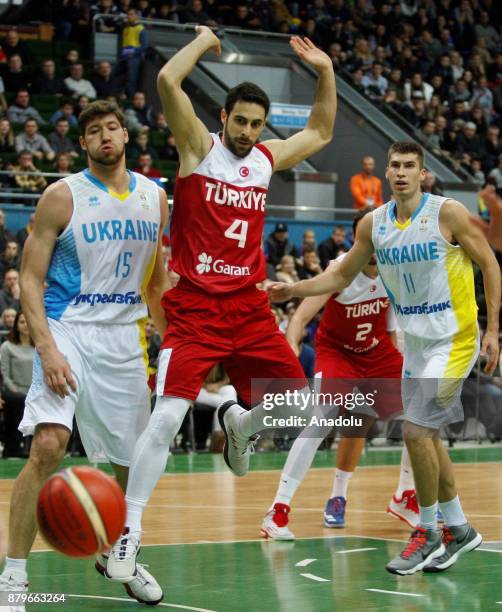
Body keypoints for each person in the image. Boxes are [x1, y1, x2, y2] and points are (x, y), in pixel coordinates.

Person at [105, 26, 336, 582]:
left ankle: (241, 425)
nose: (248, 132)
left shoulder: (264, 159)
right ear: (224, 116)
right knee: (165, 418)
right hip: (196, 308)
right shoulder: (197, 148)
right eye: (241, 121)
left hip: (249, 308)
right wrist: (205, 40)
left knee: (309, 408)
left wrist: (326, 72)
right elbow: (166, 79)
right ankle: (129, 535)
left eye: (257, 124)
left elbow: (322, 130)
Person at [267, 141, 500, 575]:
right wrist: (293, 289)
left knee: (415, 429)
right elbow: (339, 274)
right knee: (426, 437)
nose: (400, 172)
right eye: (394, 165)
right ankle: (459, 528)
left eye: (409, 166)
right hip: (415, 344)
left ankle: (428, 534)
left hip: (454, 338)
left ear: (422, 173)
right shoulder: (374, 225)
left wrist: (492, 329)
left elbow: (489, 263)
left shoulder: (446, 213)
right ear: (386, 173)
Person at [0, 100, 169, 606]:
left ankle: (117, 553)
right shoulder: (61, 196)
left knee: (128, 470)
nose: (105, 137)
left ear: (125, 134)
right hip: (69, 330)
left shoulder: (154, 197)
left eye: (112, 128)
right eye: (94, 131)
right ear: (83, 144)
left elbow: (157, 282)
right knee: (48, 447)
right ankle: (12, 576)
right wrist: (47, 349)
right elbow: (29, 278)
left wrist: (173, 340)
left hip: (124, 340)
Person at [262, 208, 418, 540]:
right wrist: (291, 358)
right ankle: (278, 509)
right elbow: (300, 320)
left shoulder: (393, 268)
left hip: (376, 352)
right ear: (359, 239)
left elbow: (391, 330)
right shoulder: (340, 270)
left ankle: (399, 496)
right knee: (322, 420)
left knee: (421, 413)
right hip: (338, 353)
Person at [0, 311, 35, 458]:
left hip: (35, 391)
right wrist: (17, 391)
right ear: (16, 326)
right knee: (19, 400)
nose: (26, 325)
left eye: (28, 321)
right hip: (12, 391)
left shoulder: (39, 347)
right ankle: (15, 447)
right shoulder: (7, 346)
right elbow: (5, 374)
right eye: (21, 322)